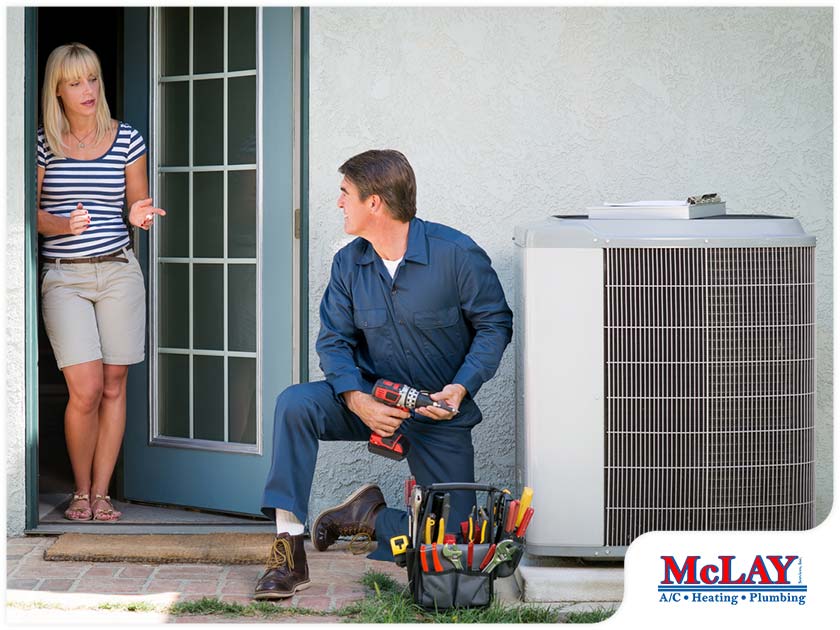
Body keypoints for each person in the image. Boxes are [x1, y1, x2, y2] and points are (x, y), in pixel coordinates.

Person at [254, 149, 512, 599]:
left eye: (345, 194)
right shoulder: (348, 264)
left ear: (374, 203)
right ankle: (288, 551)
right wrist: (358, 400)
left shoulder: (457, 255)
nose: (338, 204)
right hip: (372, 400)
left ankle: (370, 517)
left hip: (436, 413)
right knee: (295, 404)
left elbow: (495, 324)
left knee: (457, 547)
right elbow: (334, 341)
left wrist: (460, 386)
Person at [37, 43, 165, 522]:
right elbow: (30, 214)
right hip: (65, 277)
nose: (87, 90)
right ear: (58, 90)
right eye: (74, 82)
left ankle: (102, 495)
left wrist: (139, 213)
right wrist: (60, 225)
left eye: (91, 78)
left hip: (117, 271)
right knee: (86, 387)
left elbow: (137, 204)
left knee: (114, 385)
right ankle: (79, 489)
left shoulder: (127, 138)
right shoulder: (43, 143)